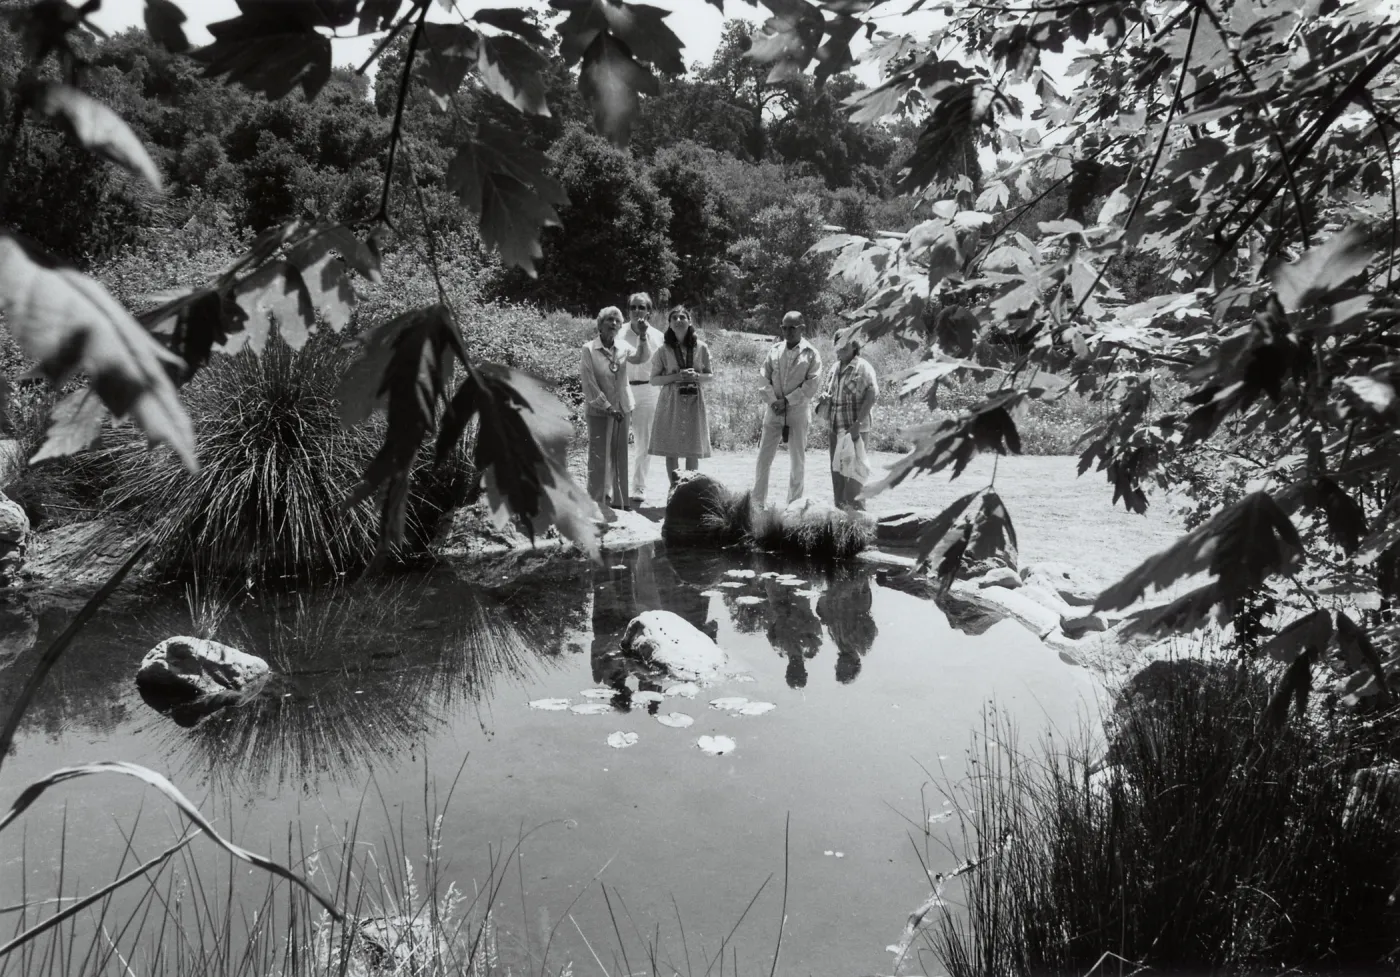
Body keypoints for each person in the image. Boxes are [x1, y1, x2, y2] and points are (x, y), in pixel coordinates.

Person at [580, 305, 651, 518]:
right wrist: (607, 407)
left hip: (622, 407)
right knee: (598, 455)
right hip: (600, 409)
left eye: (617, 321)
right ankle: (596, 502)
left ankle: (620, 501)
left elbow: (641, 358)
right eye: (609, 320)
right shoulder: (589, 349)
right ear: (600, 325)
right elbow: (589, 383)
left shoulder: (623, 346)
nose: (613, 324)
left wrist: (643, 335)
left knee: (620, 454)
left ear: (620, 326)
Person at [752, 310, 823, 506]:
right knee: (763, 458)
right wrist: (773, 400)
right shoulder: (774, 350)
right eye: (784, 327)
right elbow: (763, 377)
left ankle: (794, 505)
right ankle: (757, 504)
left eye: (792, 328)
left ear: (802, 328)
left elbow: (812, 384)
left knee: (797, 460)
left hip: (797, 413)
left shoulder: (811, 354)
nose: (787, 332)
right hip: (773, 411)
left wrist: (788, 401)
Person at [648, 304, 713, 487]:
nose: (678, 320)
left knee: (692, 450)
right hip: (671, 402)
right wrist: (676, 376)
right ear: (669, 324)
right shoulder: (663, 350)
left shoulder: (701, 348)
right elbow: (654, 380)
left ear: (690, 322)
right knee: (672, 449)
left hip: (694, 401)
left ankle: (689, 491)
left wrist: (697, 376)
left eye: (682, 317)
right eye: (674, 318)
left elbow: (711, 376)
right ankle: (674, 489)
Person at [817, 326, 880, 510]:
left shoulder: (863, 367)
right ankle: (840, 516)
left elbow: (873, 394)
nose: (841, 348)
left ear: (854, 346)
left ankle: (857, 521)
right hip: (836, 428)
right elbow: (829, 394)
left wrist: (858, 424)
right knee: (837, 474)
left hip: (854, 431)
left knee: (854, 476)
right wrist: (823, 399)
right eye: (838, 344)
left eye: (845, 344)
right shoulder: (834, 368)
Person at [622, 291, 665, 507]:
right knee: (617, 440)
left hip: (648, 391)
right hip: (621, 389)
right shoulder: (618, 332)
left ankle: (639, 486)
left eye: (642, 307)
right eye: (633, 307)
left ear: (649, 311)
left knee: (643, 441)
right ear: (628, 310)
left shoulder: (658, 336)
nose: (637, 311)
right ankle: (614, 485)